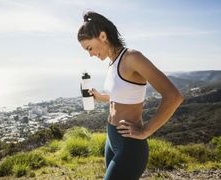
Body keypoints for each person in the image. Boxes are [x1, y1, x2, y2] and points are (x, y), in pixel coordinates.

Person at [77, 11, 183, 180]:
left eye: (89, 48)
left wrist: (145, 131)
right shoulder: (113, 62)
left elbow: (174, 96)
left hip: (129, 145)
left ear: (103, 36)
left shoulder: (132, 57)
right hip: (112, 139)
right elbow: (121, 96)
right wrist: (100, 96)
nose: (90, 54)